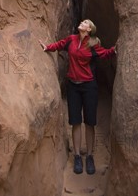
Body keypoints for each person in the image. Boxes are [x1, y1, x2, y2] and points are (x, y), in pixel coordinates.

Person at [39, 19, 117, 175]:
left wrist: (115, 49)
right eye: (82, 21)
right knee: (75, 122)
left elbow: (105, 54)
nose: (82, 22)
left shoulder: (93, 45)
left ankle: (89, 157)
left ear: (89, 30)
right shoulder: (71, 40)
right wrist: (48, 47)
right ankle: (76, 156)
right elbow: (60, 45)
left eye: (85, 22)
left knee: (89, 122)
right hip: (73, 86)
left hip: (89, 86)